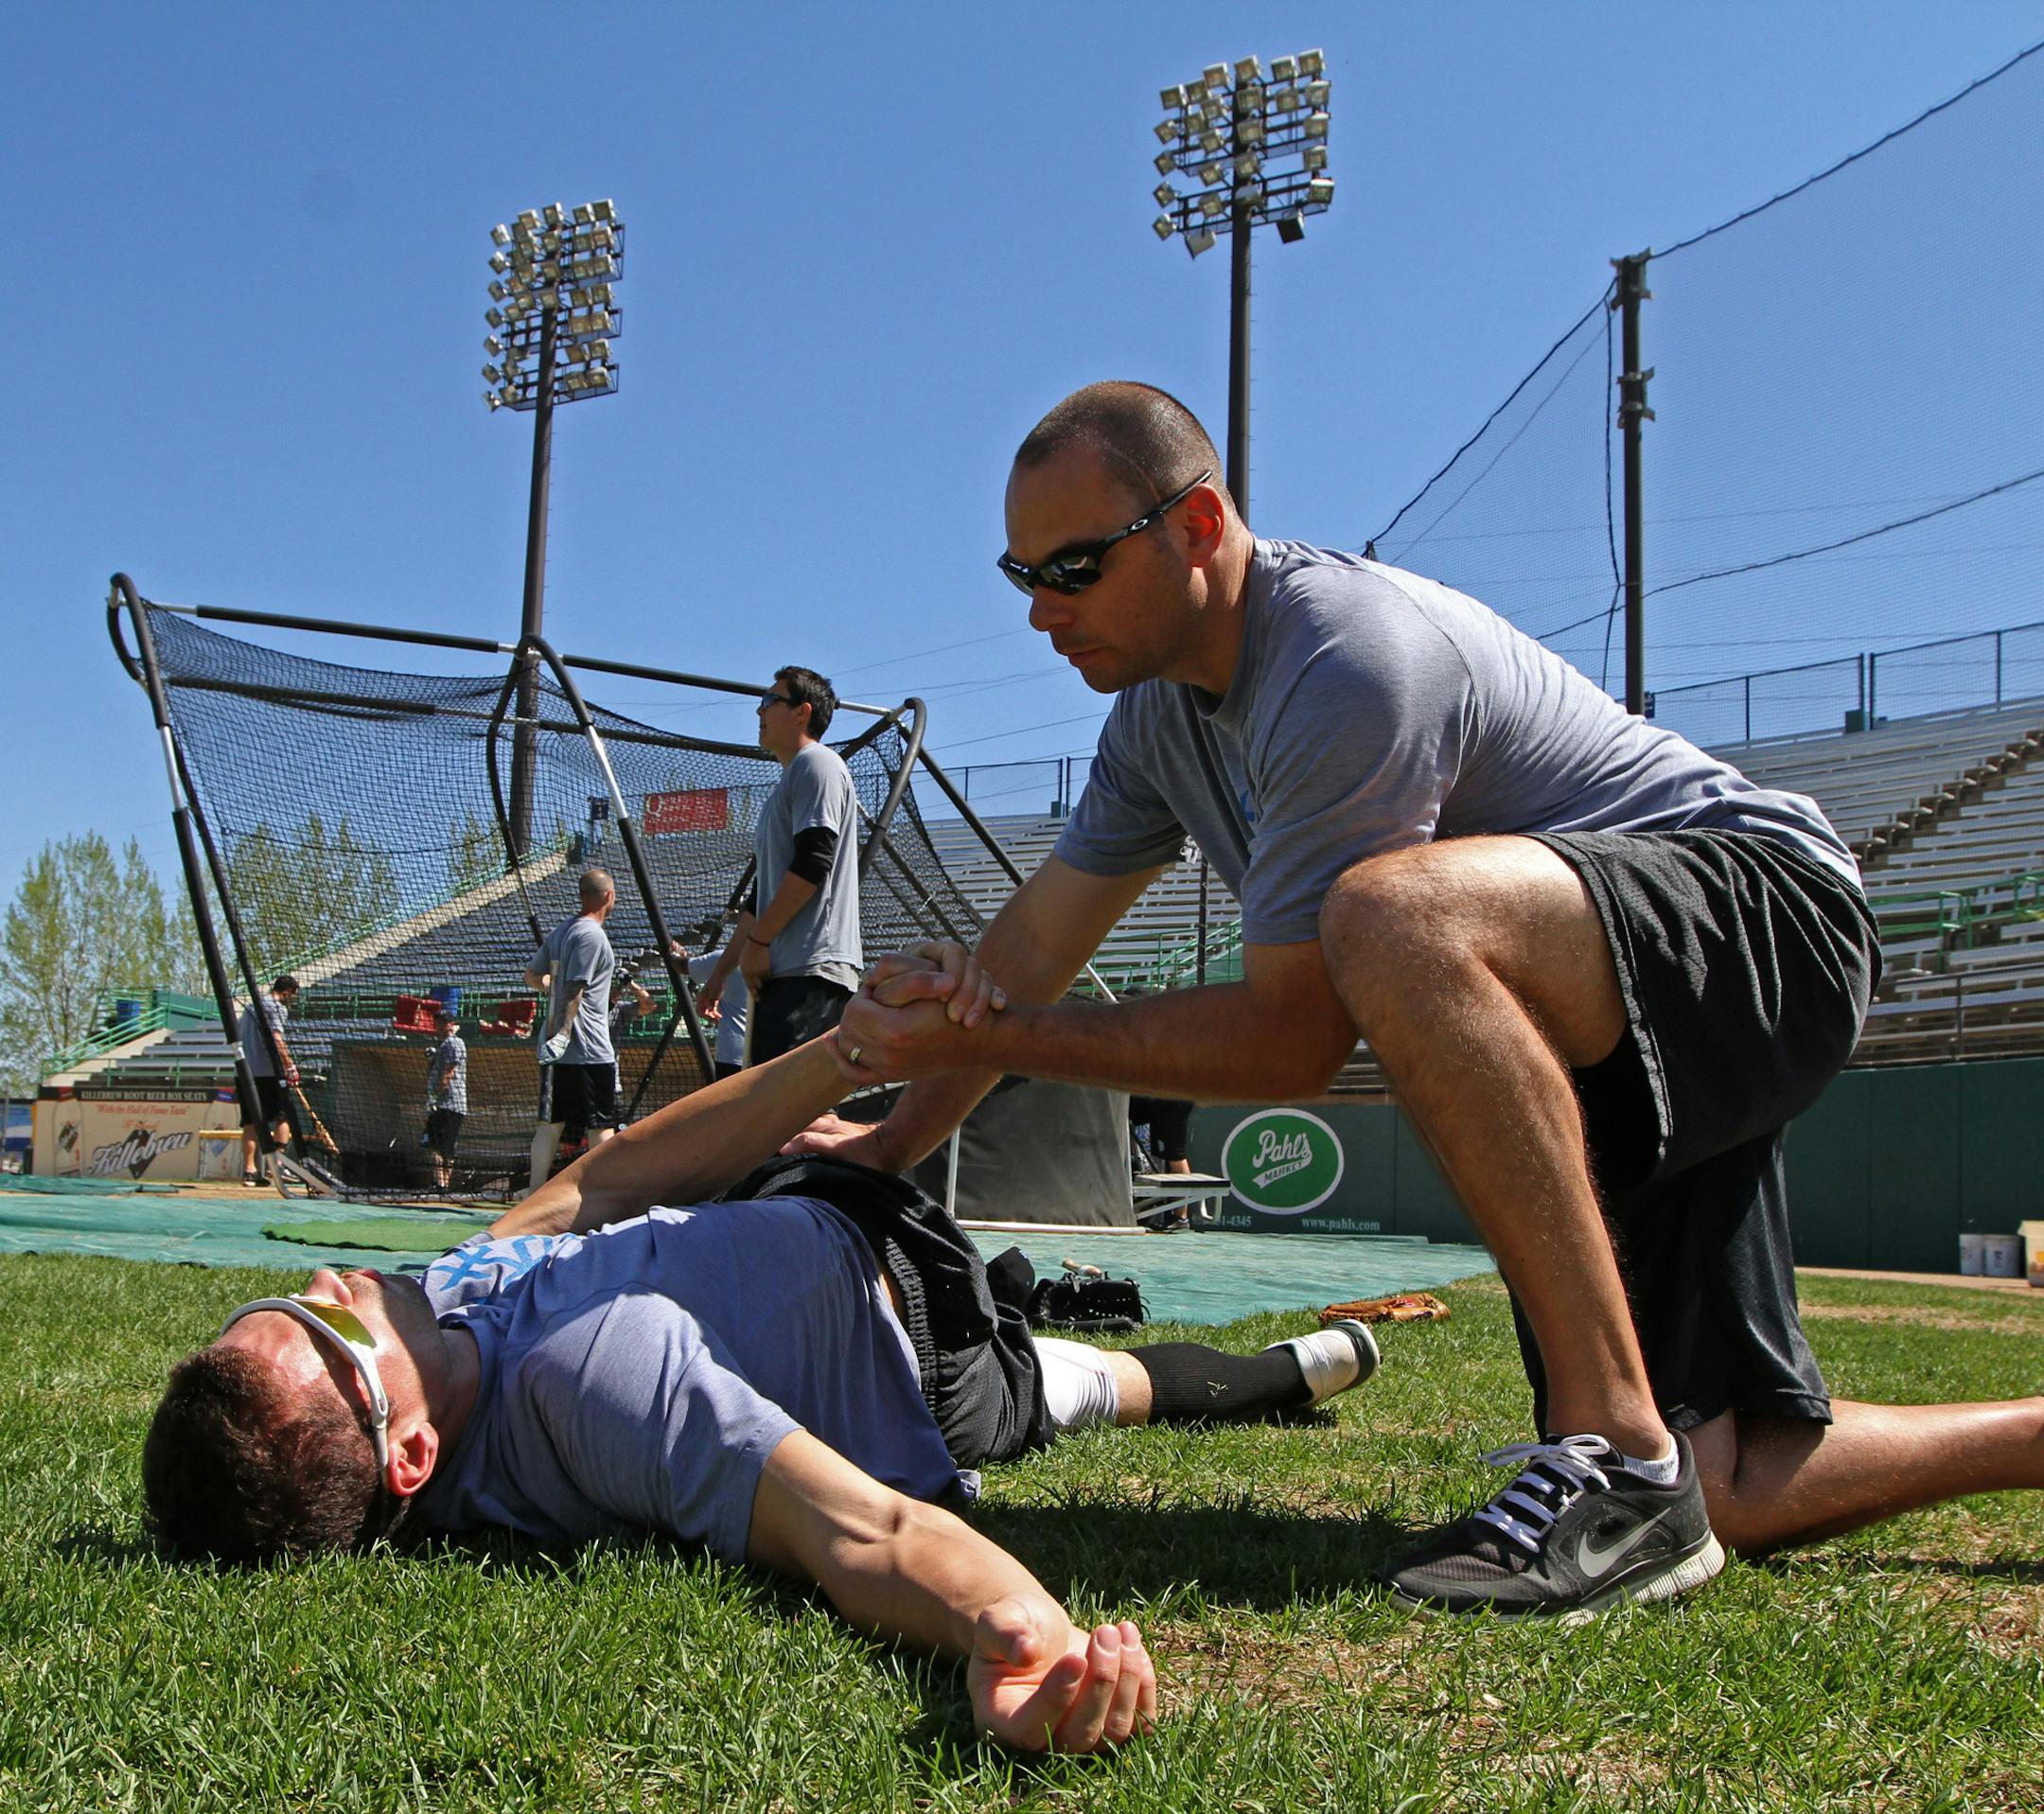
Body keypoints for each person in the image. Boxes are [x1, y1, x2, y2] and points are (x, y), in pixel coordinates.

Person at [789, 379, 2044, 1619]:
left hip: (1766, 910)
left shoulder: (1344, 656)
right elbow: (1026, 953)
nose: (1041, 611)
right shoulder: (1154, 723)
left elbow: (1293, 1038)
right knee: (1732, 1484)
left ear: (1199, 526)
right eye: (1023, 575)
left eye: (1074, 567)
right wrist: (895, 1144)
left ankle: (1617, 1455)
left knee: (1389, 917)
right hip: (1602, 1023)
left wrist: (1011, 1034)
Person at [140, 1020, 1381, 1755]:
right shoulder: (591, 1387)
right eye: (325, 1320)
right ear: (409, 1452)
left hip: (798, 1202)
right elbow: (861, 1530)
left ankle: (1046, 1278)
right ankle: (1274, 1373)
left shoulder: (440, 1310)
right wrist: (1018, 1631)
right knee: (1089, 1385)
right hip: (919, 1340)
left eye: (283, 1299)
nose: (329, 1278)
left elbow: (606, 1182)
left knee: (1037, 1299)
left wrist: (844, 1053)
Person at [700, 667, 862, 1064]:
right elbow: (762, 897)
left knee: (797, 1103)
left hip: (811, 974)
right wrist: (722, 972)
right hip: (784, 974)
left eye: (770, 701)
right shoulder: (791, 780)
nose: (760, 711)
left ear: (801, 712)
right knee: (767, 1099)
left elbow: (814, 861)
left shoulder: (818, 764)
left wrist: (758, 945)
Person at [525, 869, 621, 1192]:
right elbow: (575, 990)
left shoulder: (562, 930)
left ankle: (534, 1193)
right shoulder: (592, 935)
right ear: (608, 895)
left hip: (554, 1048)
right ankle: (602, 1194)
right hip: (587, 1048)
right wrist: (565, 1034)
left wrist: (550, 988)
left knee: (550, 1125)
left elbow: (532, 975)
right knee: (601, 1127)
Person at [237, 974, 301, 1187]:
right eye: (293, 995)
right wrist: (289, 1065)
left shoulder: (250, 1007)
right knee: (284, 1117)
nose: (292, 1000)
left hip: (244, 1072)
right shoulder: (277, 1008)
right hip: (268, 1072)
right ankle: (278, 1165)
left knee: (250, 1122)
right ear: (288, 991)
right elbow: (276, 1039)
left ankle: (250, 1171)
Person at [687, 941, 750, 1081]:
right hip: (768, 1051)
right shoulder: (777, 956)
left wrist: (671, 952)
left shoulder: (720, 958)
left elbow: (682, 965)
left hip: (732, 1054)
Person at [422, 1005, 467, 1193]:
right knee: (440, 1146)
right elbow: (433, 1072)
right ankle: (442, 1185)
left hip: (449, 1103)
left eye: (444, 1022)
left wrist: (435, 1096)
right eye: (438, 1022)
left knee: (439, 1146)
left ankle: (442, 1184)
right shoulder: (441, 1045)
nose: (440, 1026)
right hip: (444, 1104)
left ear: (451, 1024)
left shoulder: (454, 1043)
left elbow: (449, 1072)